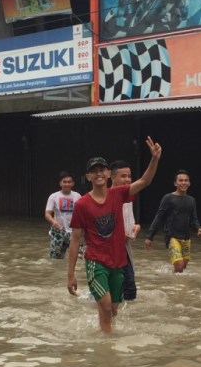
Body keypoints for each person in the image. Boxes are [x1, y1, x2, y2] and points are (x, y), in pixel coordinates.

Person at [67, 137, 162, 333]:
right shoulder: (82, 204)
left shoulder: (118, 194)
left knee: (114, 309)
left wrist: (154, 159)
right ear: (88, 177)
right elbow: (75, 239)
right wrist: (70, 275)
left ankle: (104, 339)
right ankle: (107, 347)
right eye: (94, 171)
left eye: (102, 170)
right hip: (96, 261)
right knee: (107, 304)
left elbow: (145, 181)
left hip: (118, 262)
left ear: (109, 174)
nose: (99, 173)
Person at [144, 170, 201, 273]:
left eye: (186, 180)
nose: (183, 183)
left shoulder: (191, 200)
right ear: (175, 183)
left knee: (182, 268)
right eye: (180, 180)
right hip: (172, 237)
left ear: (189, 183)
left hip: (186, 237)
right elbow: (159, 217)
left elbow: (194, 218)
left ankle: (176, 285)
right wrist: (150, 236)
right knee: (179, 266)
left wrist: (199, 228)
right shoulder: (168, 198)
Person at [110, 159, 141, 301]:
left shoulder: (129, 196)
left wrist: (135, 227)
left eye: (129, 176)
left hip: (124, 246)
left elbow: (129, 219)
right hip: (110, 249)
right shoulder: (108, 196)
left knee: (129, 289)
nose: (127, 179)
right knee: (121, 287)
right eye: (123, 176)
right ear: (112, 176)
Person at [45, 171, 81, 260]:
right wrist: (54, 222)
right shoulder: (53, 196)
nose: (67, 184)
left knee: (79, 258)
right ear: (60, 183)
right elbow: (47, 214)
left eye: (69, 182)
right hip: (59, 231)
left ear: (73, 183)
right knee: (56, 260)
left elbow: (82, 214)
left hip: (74, 232)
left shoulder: (78, 196)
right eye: (64, 182)